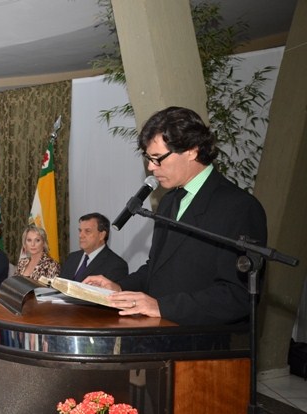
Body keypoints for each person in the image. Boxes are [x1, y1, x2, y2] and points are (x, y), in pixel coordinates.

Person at [84, 106, 267, 326]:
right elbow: (157, 269)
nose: (151, 167)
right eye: (148, 158)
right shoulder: (168, 202)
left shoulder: (239, 207)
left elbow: (237, 295)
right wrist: (119, 288)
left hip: (205, 341)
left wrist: (162, 307)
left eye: (157, 158)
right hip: (161, 334)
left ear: (191, 150)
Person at [60, 213, 128, 283]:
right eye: (80, 231)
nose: (80, 235)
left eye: (87, 231)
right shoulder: (72, 257)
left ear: (102, 235)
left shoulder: (116, 265)